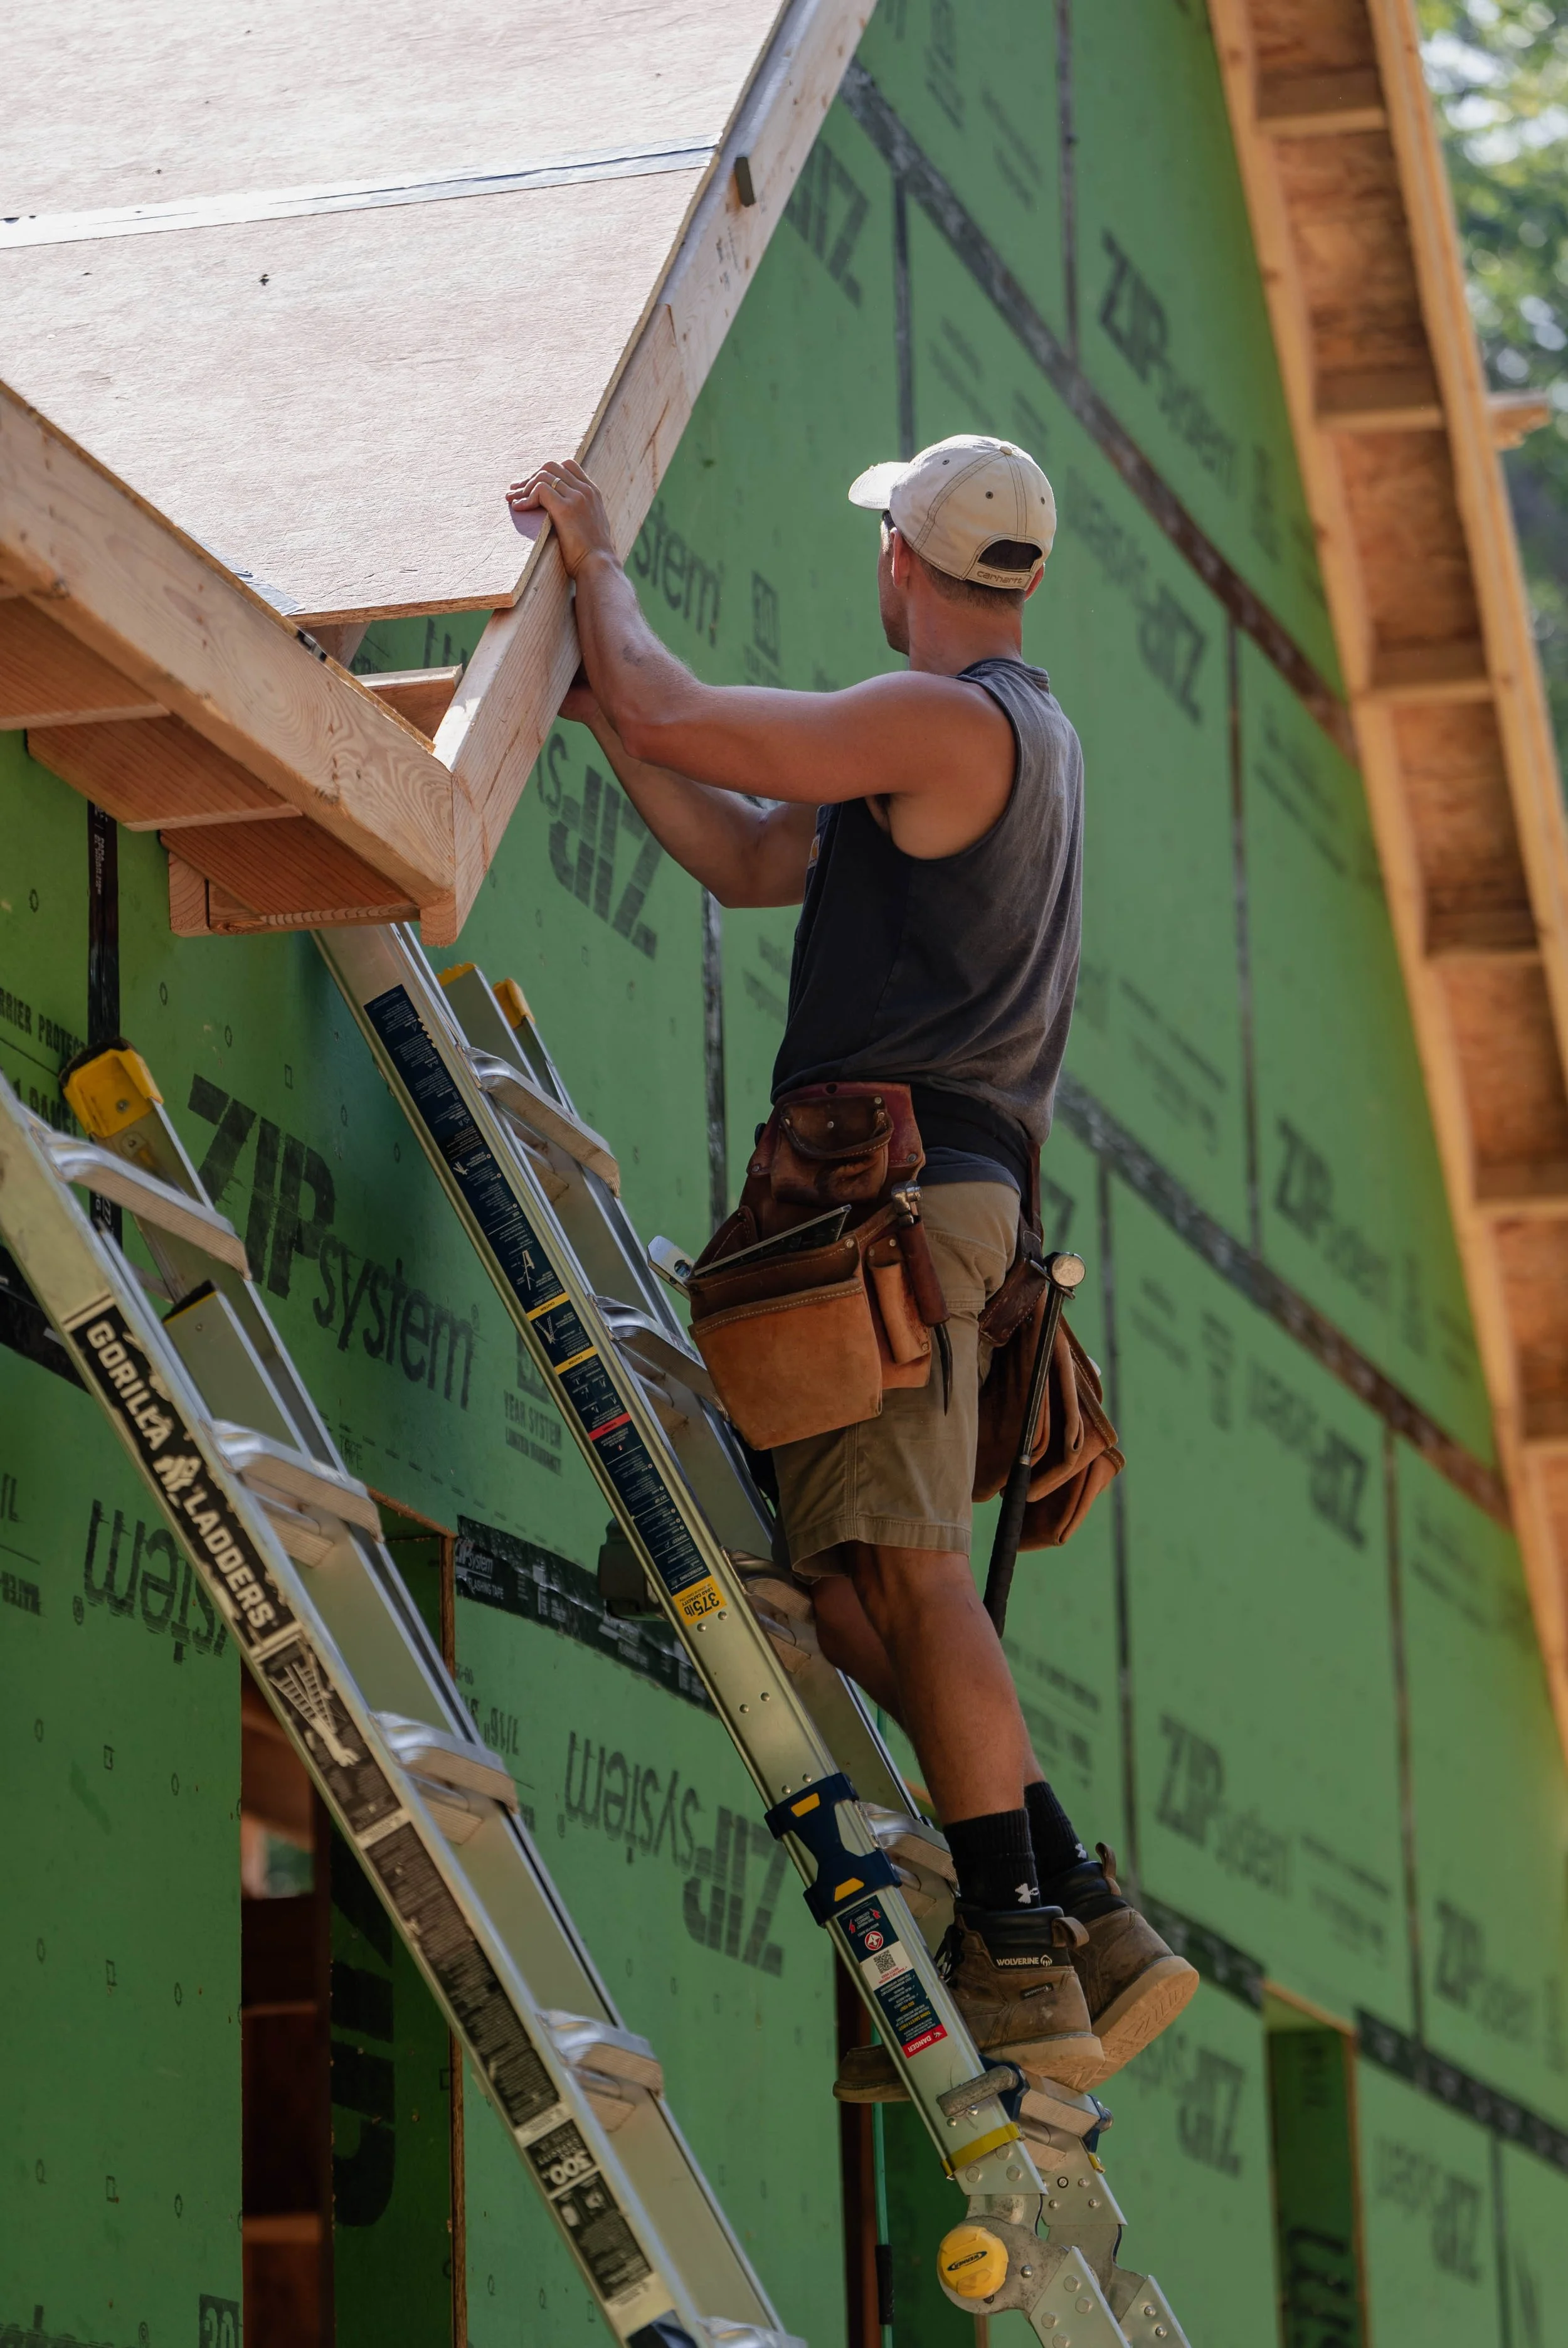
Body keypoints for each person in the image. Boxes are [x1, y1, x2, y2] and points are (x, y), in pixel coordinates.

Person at [509, 435, 1197, 2097]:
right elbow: (750, 850)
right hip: (920, 1202)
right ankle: (1081, 1902)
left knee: (914, 1569)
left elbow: (687, 714)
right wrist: (609, 721)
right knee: (848, 1583)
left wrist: (597, 573)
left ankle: (1019, 1942)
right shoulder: (1004, 753)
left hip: (895, 1201)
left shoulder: (942, 721)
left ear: (903, 560)